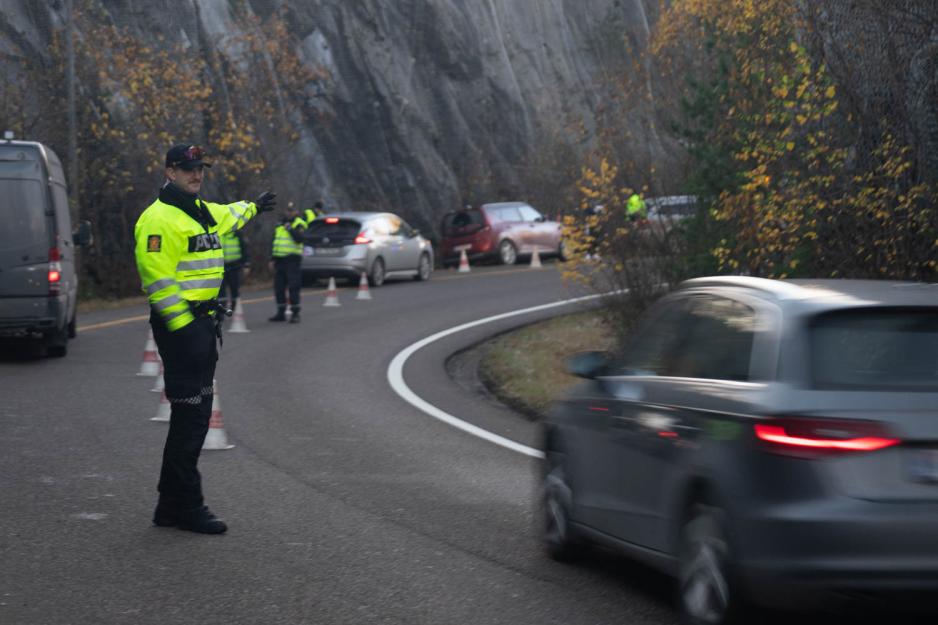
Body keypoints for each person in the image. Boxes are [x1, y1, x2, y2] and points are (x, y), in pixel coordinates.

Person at [134, 143, 276, 534]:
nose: (196, 174)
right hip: (183, 330)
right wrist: (186, 331)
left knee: (190, 418)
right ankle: (187, 506)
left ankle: (169, 505)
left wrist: (254, 207)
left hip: (200, 326)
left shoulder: (200, 210)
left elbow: (228, 216)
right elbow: (158, 282)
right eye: (187, 169)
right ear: (169, 172)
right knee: (192, 420)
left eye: (200, 168)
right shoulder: (158, 219)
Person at [269, 205, 306, 323]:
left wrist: (290, 229)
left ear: (296, 211)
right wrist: (272, 259)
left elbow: (299, 239)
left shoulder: (299, 223)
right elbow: (275, 242)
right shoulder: (280, 224)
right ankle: (281, 312)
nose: (289, 213)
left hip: (292, 260)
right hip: (279, 260)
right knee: (279, 287)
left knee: (293, 286)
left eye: (292, 211)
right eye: (287, 210)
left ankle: (295, 313)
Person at [219, 228, 250, 311]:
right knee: (220, 291)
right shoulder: (218, 233)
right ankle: (221, 311)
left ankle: (235, 309)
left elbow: (244, 249)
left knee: (234, 288)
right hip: (220, 267)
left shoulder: (237, 234)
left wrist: (246, 264)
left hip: (234, 266)